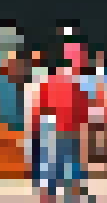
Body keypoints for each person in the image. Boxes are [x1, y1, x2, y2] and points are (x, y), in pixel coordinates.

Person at [30, 51, 94, 203]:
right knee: (67, 163)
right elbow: (82, 110)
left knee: (58, 164)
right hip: (63, 129)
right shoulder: (72, 86)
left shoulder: (51, 84)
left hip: (57, 129)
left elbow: (38, 109)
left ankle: (53, 195)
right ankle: (68, 194)